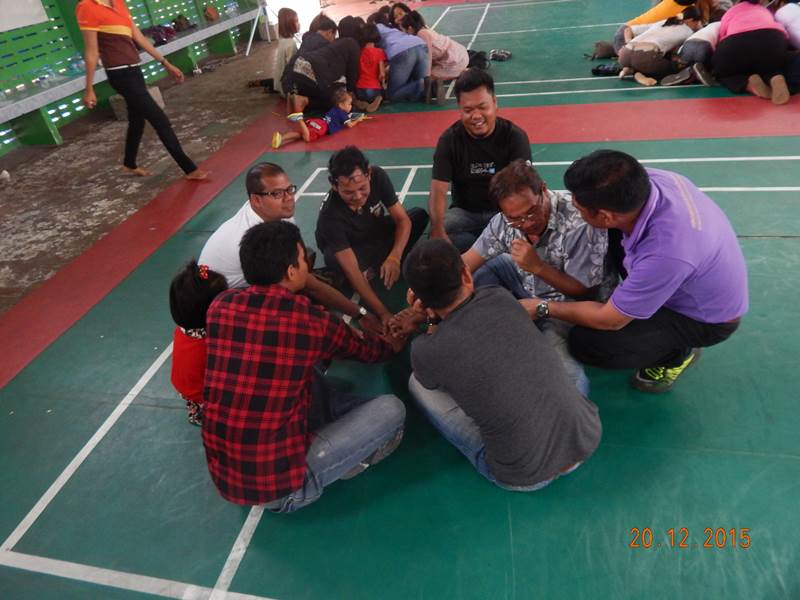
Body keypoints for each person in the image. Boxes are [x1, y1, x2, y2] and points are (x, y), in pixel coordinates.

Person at [202, 221, 406, 511]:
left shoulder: (220, 306)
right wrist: (394, 341)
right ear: (290, 271)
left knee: (300, 369)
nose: (307, 264)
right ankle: (343, 464)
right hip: (281, 489)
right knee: (392, 411)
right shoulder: (308, 322)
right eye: (303, 259)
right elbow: (368, 351)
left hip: (225, 477)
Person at [521, 150, 748, 393]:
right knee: (609, 237)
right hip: (684, 276)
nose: (574, 209)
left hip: (703, 318)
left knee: (588, 344)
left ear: (606, 215)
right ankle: (634, 303)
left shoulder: (666, 253)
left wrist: (543, 307)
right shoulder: (649, 182)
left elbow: (609, 320)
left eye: (579, 207)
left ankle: (677, 355)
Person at [404, 239, 602, 490]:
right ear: (466, 275)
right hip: (585, 439)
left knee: (417, 384)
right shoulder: (497, 295)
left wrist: (431, 322)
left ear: (418, 298)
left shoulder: (424, 351)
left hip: (526, 475)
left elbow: (430, 378)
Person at [462, 159, 616, 395]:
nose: (526, 224)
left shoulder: (580, 221)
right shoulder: (506, 221)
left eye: (532, 211)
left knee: (566, 378)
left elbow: (585, 291)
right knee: (479, 270)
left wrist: (538, 267)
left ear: (543, 190)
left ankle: (572, 411)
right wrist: (430, 291)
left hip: (565, 304)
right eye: (515, 218)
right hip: (529, 284)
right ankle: (492, 323)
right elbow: (467, 261)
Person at [198, 162, 383, 333]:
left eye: (289, 190)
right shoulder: (256, 239)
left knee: (304, 257)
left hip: (233, 279)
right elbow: (312, 286)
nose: (289, 198)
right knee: (302, 317)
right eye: (277, 194)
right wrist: (360, 313)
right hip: (219, 302)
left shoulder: (277, 213)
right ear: (256, 199)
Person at [76, 0, 207, 180]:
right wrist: (89, 88)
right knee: (160, 120)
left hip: (134, 70)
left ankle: (129, 163)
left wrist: (165, 63)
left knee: (137, 120)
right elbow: (92, 52)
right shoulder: (87, 7)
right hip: (119, 74)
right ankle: (189, 169)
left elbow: (139, 38)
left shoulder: (118, 3)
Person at [315, 146, 429, 327]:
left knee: (418, 216)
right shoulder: (330, 216)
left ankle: (373, 267)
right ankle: (368, 269)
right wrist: (383, 313)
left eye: (362, 188)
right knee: (336, 261)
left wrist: (394, 257)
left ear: (368, 174)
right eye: (348, 192)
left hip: (373, 230)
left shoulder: (378, 176)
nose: (358, 196)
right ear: (335, 186)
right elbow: (352, 270)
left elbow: (403, 221)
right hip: (351, 248)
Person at [429, 69, 532, 252]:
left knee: (525, 236)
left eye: (483, 107)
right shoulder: (449, 140)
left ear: (495, 103)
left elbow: (524, 189)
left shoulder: (515, 137)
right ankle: (488, 249)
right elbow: (438, 190)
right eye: (468, 110)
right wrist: (438, 230)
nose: (476, 116)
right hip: (465, 213)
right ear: (459, 109)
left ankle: (480, 250)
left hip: (503, 213)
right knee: (440, 233)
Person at [168, 261, 227, 425]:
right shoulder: (212, 342)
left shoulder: (183, 330)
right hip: (203, 393)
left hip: (183, 384)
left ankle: (195, 414)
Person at [712, 0, 791, 104]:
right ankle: (775, 76)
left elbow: (722, 34)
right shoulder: (764, 10)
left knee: (722, 74)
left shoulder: (731, 11)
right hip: (774, 38)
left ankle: (747, 84)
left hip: (737, 41)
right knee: (769, 68)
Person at [617, 8, 704, 86]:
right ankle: (638, 73)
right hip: (645, 58)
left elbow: (627, 30)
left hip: (624, 55)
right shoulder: (688, 32)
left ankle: (630, 69)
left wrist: (628, 43)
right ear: (691, 20)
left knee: (655, 57)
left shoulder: (663, 22)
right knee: (682, 66)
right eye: (698, 22)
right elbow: (679, 55)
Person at [271, 87, 368, 149]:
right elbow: (350, 125)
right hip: (323, 127)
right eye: (349, 104)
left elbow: (338, 118)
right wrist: (358, 120)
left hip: (318, 121)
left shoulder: (334, 108)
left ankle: (281, 138)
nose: (351, 106)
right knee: (307, 138)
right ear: (341, 105)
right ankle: (300, 119)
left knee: (301, 134)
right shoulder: (342, 113)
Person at [371, 11, 429, 101]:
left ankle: (421, 84)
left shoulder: (376, 27)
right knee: (425, 86)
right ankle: (431, 85)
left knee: (392, 94)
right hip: (420, 44)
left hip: (402, 50)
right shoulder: (392, 28)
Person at [401, 11, 469, 82]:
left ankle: (462, 72)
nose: (404, 34)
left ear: (410, 28)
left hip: (456, 60)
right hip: (458, 54)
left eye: (404, 31)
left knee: (422, 75)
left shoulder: (421, 34)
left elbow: (428, 57)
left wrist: (426, 76)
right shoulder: (424, 29)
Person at [247, 8, 299, 94]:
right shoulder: (291, 44)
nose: (299, 24)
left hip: (279, 82)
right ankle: (270, 88)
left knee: (277, 79)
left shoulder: (282, 39)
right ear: (289, 25)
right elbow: (293, 70)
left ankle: (264, 84)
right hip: (287, 88)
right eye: (296, 21)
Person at [354, 23, 388, 112]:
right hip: (373, 90)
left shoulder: (358, 52)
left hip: (359, 90)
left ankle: (361, 102)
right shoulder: (379, 52)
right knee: (383, 93)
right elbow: (382, 74)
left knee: (360, 96)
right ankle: (378, 99)